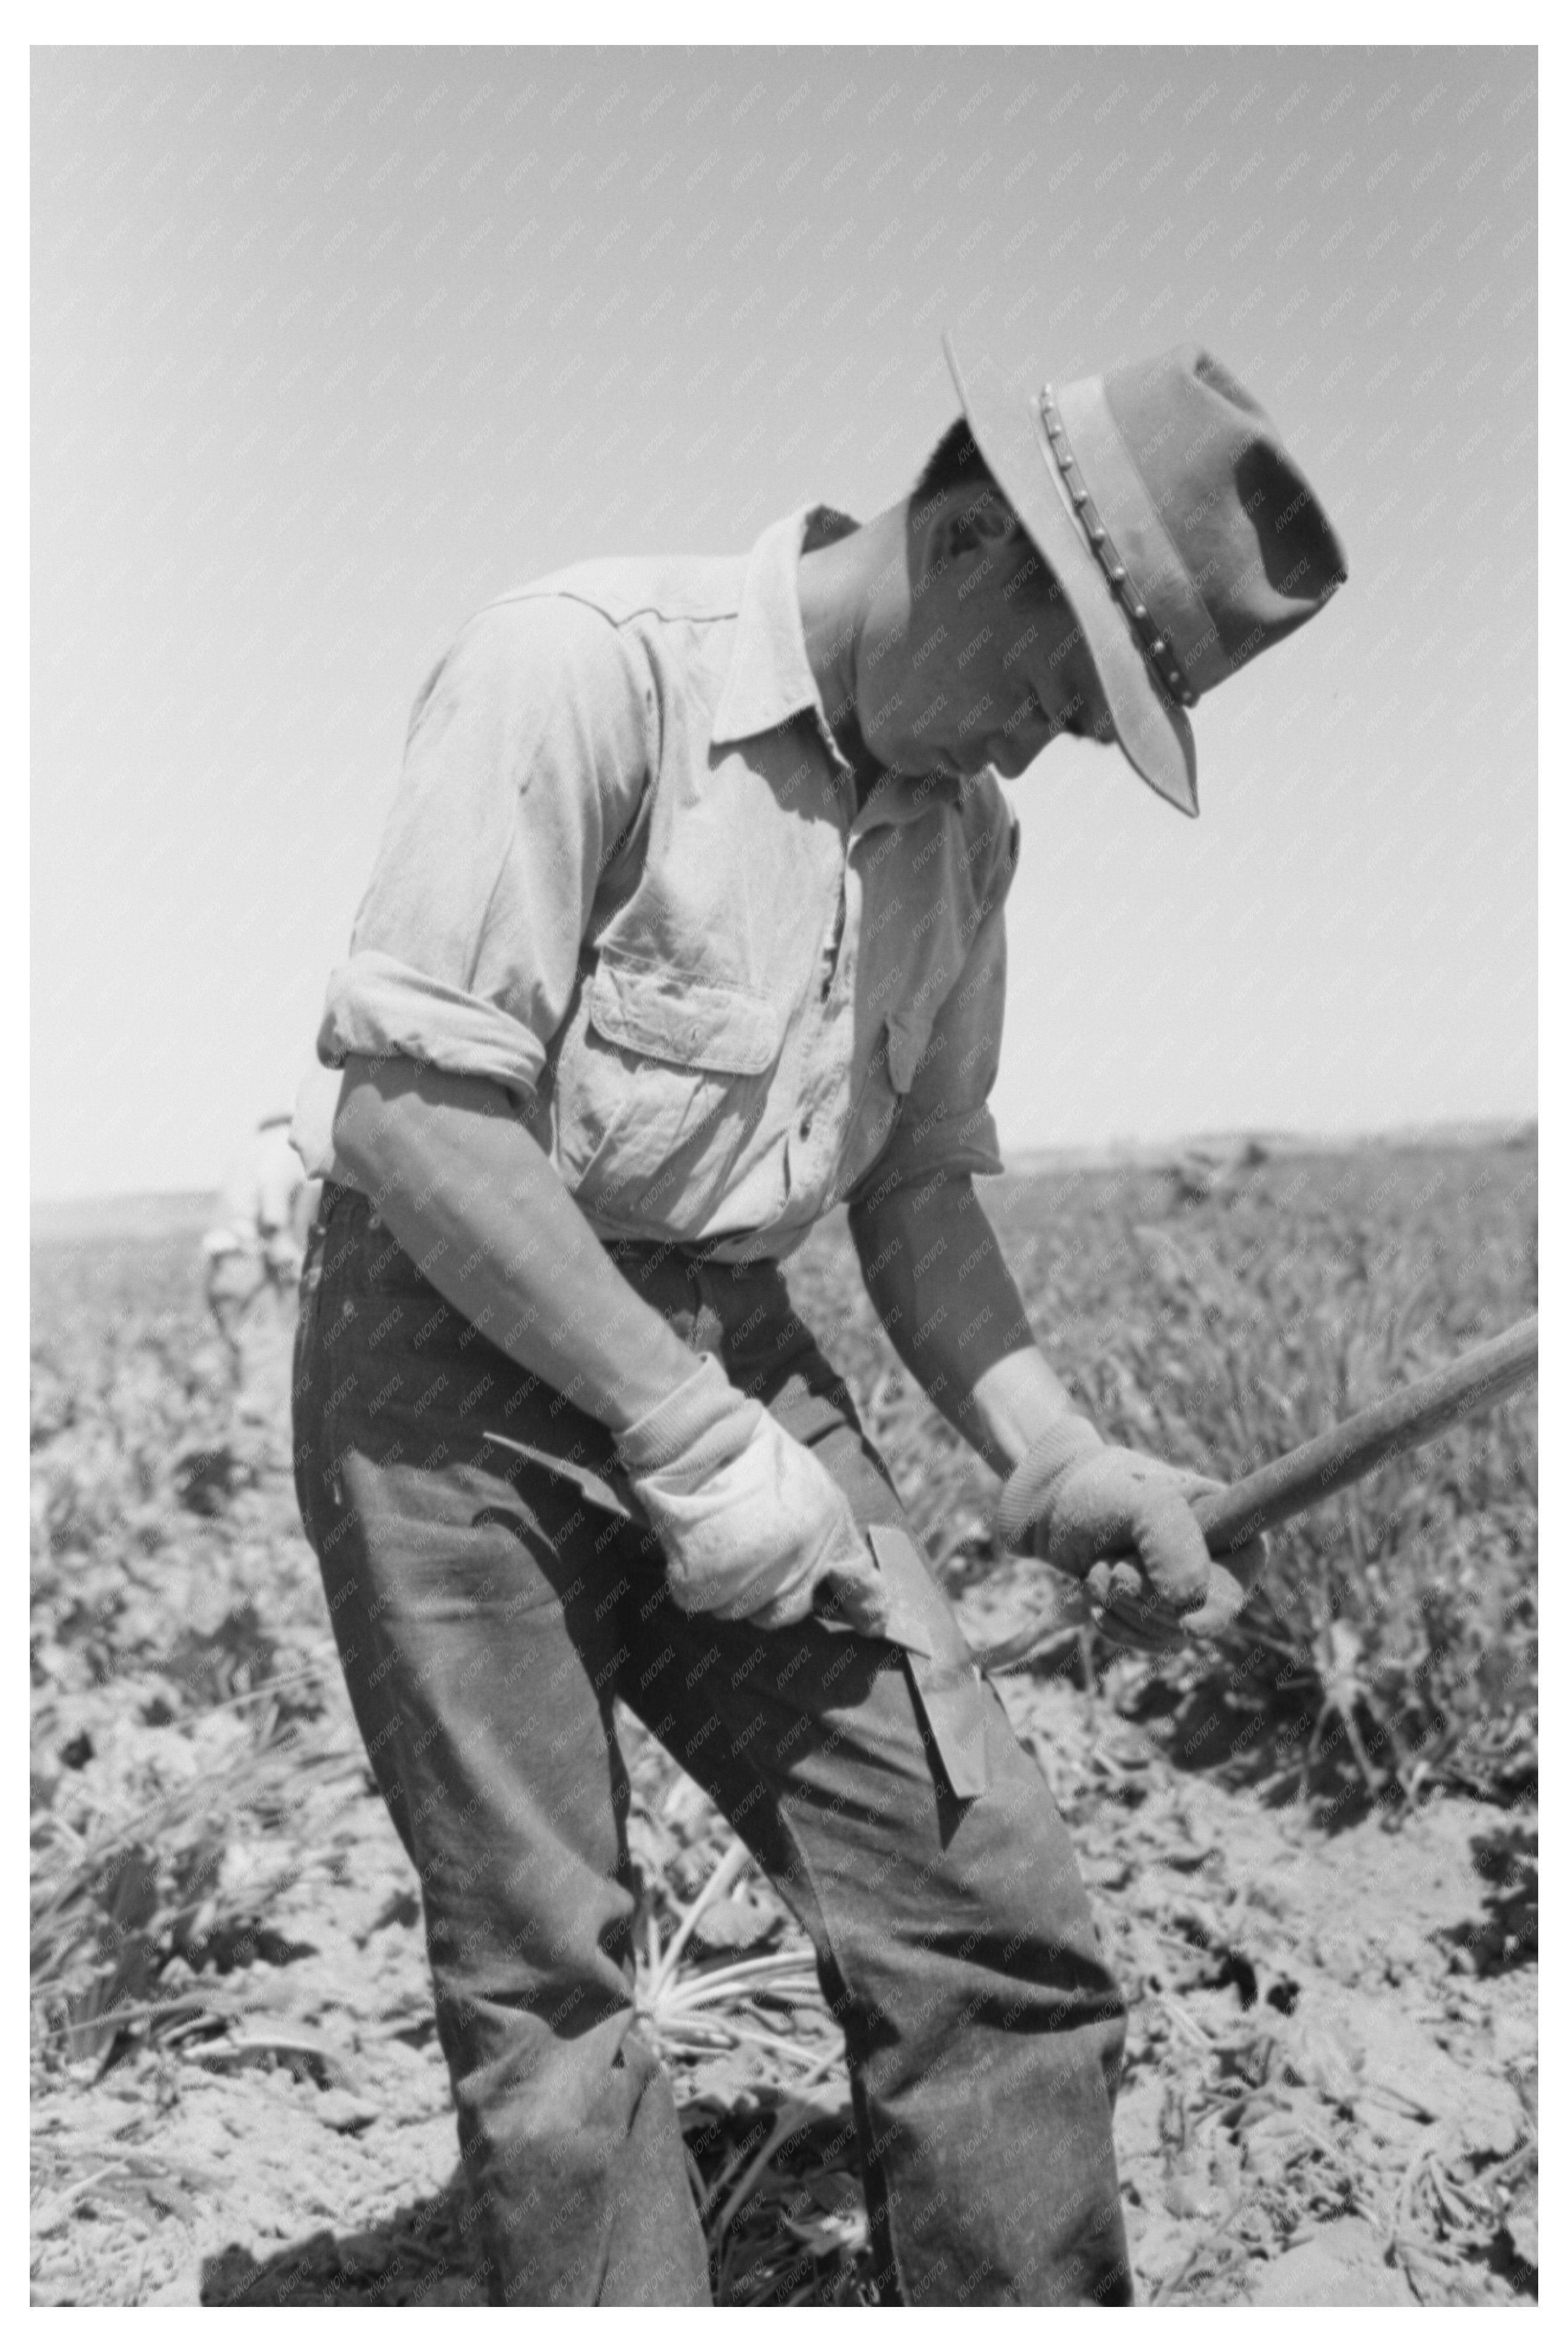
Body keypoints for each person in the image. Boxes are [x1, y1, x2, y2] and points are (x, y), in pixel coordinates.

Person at [290, 329, 1346, 2305]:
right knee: (550, 1977)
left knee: (984, 1909)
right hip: (440, 1346)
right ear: (965, 539)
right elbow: (410, 1118)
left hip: (726, 1332)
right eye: (1051, 693)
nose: (1035, 751)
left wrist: (1047, 1451)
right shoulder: (586, 665)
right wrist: (680, 1427)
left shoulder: (961, 833)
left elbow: (910, 1186)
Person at [201, 1113, 321, 1464]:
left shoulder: (253, 1147)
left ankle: (250, 1470)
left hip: (225, 1270)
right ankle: (265, 1483)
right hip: (249, 1270)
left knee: (253, 1375)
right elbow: (274, 1226)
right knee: (268, 1380)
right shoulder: (286, 1148)